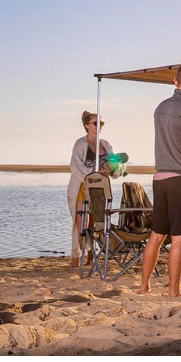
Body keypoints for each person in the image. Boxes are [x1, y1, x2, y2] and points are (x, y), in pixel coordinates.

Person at [140, 62, 181, 297]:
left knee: (157, 235)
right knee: (179, 239)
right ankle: (173, 292)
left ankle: (144, 286)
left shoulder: (161, 107)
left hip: (160, 179)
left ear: (175, 81)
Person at [67, 111, 119, 269]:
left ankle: (91, 257)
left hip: (100, 191)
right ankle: (76, 258)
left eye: (102, 123)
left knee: (95, 224)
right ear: (86, 126)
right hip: (82, 188)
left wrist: (111, 169)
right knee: (80, 226)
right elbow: (75, 168)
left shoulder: (106, 144)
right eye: (96, 123)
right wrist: (94, 174)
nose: (100, 126)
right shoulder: (80, 144)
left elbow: (116, 168)